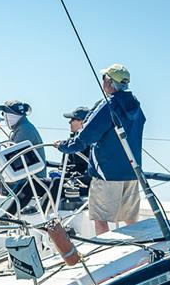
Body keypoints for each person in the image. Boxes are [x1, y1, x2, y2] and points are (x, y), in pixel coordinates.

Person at [57, 63, 146, 235]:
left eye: (104, 78)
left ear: (110, 82)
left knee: (100, 218)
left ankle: (107, 253)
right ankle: (138, 249)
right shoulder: (136, 107)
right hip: (132, 172)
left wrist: (63, 146)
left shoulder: (108, 105)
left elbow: (86, 136)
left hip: (107, 172)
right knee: (130, 219)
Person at [0, 100, 48, 211]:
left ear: (11, 115)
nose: (4, 117)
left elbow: (12, 159)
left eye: (5, 113)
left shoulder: (24, 130)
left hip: (27, 182)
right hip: (26, 178)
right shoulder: (23, 127)